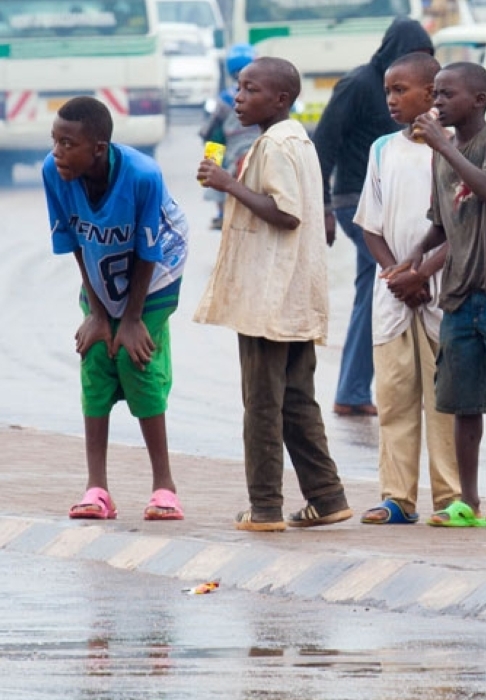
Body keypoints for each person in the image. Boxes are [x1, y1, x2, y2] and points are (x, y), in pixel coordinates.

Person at [194, 57, 353, 531]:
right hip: (291, 296)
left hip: (270, 297)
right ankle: (327, 497)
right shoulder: (295, 139)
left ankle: (264, 507)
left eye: (250, 89)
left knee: (262, 403)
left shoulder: (275, 145)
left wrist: (228, 184)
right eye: (238, 88)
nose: (239, 97)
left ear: (281, 99)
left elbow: (285, 213)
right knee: (298, 399)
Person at [391, 62, 486, 530]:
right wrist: (413, 258)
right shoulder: (443, 150)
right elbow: (441, 223)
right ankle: (468, 501)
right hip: (459, 291)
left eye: (447, 95)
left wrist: (442, 147)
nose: (437, 103)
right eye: (434, 94)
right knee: (462, 402)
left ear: (478, 100)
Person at [44, 96, 189, 521]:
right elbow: (73, 242)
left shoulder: (143, 176)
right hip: (103, 269)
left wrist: (130, 319)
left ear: (99, 148)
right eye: (54, 141)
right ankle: (97, 489)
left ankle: (165, 487)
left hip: (157, 269)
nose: (57, 152)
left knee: (134, 357)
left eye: (68, 143)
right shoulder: (54, 173)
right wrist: (97, 311)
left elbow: (148, 249)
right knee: (95, 355)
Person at [354, 53, 462, 525]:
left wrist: (423, 273)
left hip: (443, 292)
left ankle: (451, 496)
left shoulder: (456, 149)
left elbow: (463, 227)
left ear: (431, 92)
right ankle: (397, 496)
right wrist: (399, 274)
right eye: (388, 92)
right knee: (395, 398)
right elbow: (370, 226)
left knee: (446, 401)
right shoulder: (382, 150)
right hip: (394, 293)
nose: (392, 100)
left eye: (402, 90)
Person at [313, 19, 435, 418]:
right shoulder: (360, 85)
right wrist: (324, 207)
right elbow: (324, 143)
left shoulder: (421, 95)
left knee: (383, 282)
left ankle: (361, 387)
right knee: (386, 280)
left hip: (396, 200)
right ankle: (354, 389)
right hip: (355, 199)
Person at [198, 43, 259, 231]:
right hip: (260, 144)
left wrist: (206, 136)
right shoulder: (263, 93)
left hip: (234, 149)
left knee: (211, 164)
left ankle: (221, 212)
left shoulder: (225, 98)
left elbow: (212, 129)